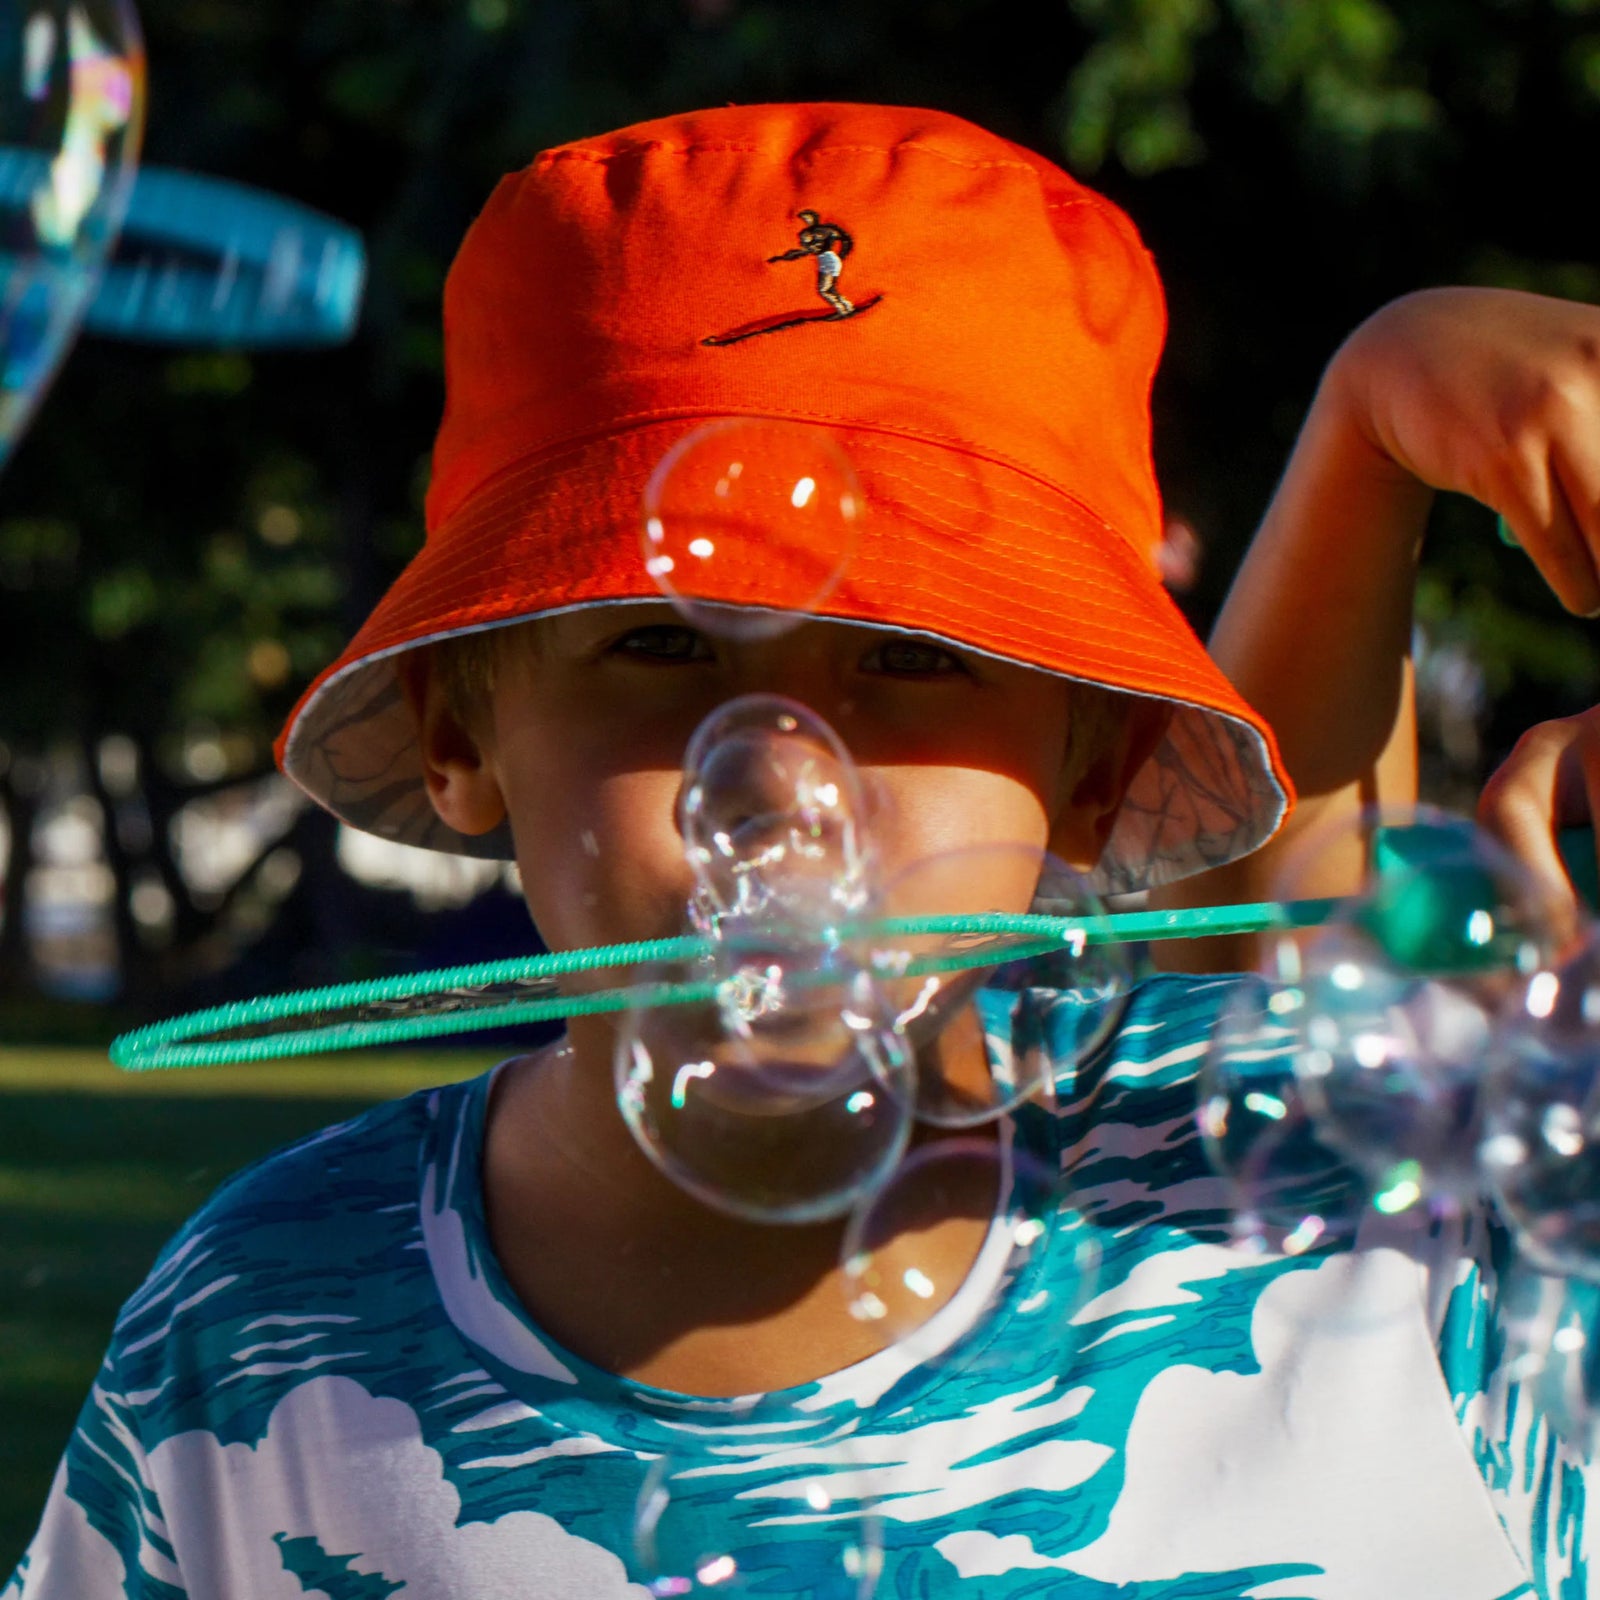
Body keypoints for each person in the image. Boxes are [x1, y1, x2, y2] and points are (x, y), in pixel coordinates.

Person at [8, 102, 1600, 1599]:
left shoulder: (1359, 1212)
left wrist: (1383, 406)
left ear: (1100, 769)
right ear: (455, 731)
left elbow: (1284, 986)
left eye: (915, 661)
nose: (779, 777)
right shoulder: (265, 1328)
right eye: (657, 645)